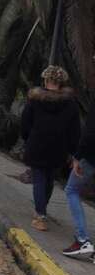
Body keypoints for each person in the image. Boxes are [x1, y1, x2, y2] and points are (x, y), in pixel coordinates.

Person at [20, 66, 80, 232]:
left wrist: (27, 138)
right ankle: (41, 209)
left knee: (39, 179)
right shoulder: (70, 104)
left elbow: (25, 123)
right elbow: (75, 130)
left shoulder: (35, 100)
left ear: (46, 80)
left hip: (37, 144)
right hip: (59, 148)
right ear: (61, 82)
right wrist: (73, 151)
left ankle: (40, 215)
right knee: (49, 179)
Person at [62, 87, 95, 260]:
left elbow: (90, 133)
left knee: (71, 190)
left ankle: (82, 240)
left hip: (91, 155)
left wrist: (77, 156)